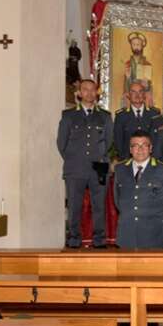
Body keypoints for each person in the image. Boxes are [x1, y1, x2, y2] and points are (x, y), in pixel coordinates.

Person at [56, 79, 113, 248]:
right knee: (74, 206)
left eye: (92, 89)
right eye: (85, 89)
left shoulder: (105, 116)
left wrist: (98, 157)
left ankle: (99, 239)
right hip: (76, 167)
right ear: (79, 93)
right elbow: (61, 143)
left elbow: (109, 141)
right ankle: (74, 239)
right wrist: (75, 159)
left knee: (99, 206)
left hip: (99, 167)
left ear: (97, 93)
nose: (89, 93)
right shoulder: (68, 115)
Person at [113, 130, 163, 249]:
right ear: (130, 149)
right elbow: (117, 200)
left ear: (150, 148)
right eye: (135, 145)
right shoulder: (120, 169)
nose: (140, 149)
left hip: (154, 234)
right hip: (127, 234)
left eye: (144, 145)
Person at [114, 82, 160, 159]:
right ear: (128, 95)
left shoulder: (154, 114)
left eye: (140, 91)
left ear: (144, 95)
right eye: (133, 92)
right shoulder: (121, 116)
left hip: (150, 160)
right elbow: (118, 142)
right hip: (128, 160)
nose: (137, 95)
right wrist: (124, 160)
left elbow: (158, 140)